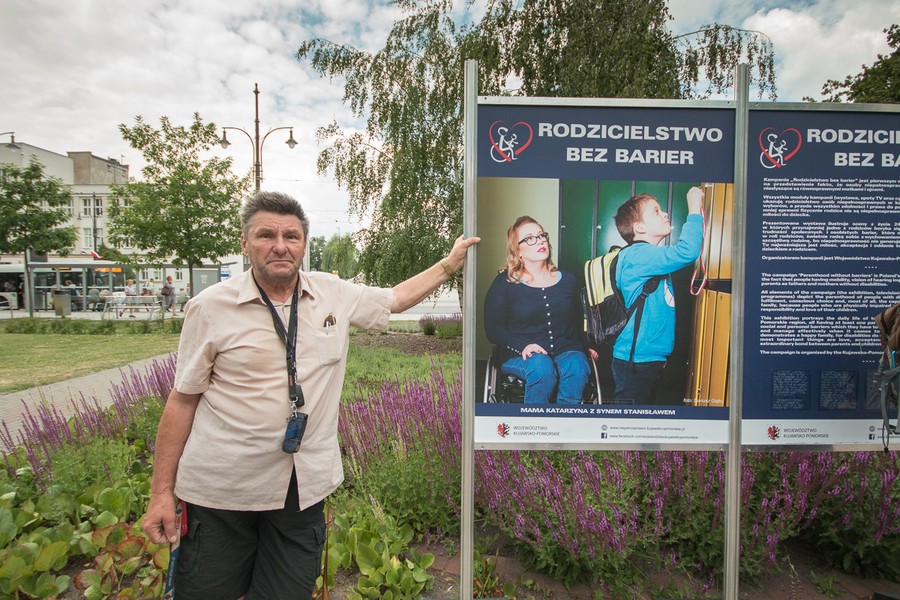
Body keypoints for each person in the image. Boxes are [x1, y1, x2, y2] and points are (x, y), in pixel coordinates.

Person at [142, 191, 478, 599]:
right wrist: (161, 494)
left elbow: (396, 299)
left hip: (300, 493)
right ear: (245, 242)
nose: (280, 246)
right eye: (266, 235)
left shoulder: (332, 293)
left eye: (292, 236)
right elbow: (182, 399)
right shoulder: (210, 307)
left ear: (304, 244)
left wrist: (449, 264)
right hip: (222, 493)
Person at [483, 216, 594, 404]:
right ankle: (535, 428)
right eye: (530, 238)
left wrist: (587, 345)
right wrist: (523, 346)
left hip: (566, 349)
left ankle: (565, 426)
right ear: (518, 251)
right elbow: (493, 329)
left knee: (577, 366)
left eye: (541, 235)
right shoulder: (504, 284)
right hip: (520, 355)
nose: (540, 240)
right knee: (541, 367)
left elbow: (577, 320)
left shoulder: (568, 280)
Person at [611, 186, 704, 405]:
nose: (664, 214)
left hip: (645, 358)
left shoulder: (647, 256)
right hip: (636, 361)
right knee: (631, 427)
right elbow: (687, 252)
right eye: (655, 211)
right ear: (639, 227)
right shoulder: (640, 255)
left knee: (641, 423)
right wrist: (694, 210)